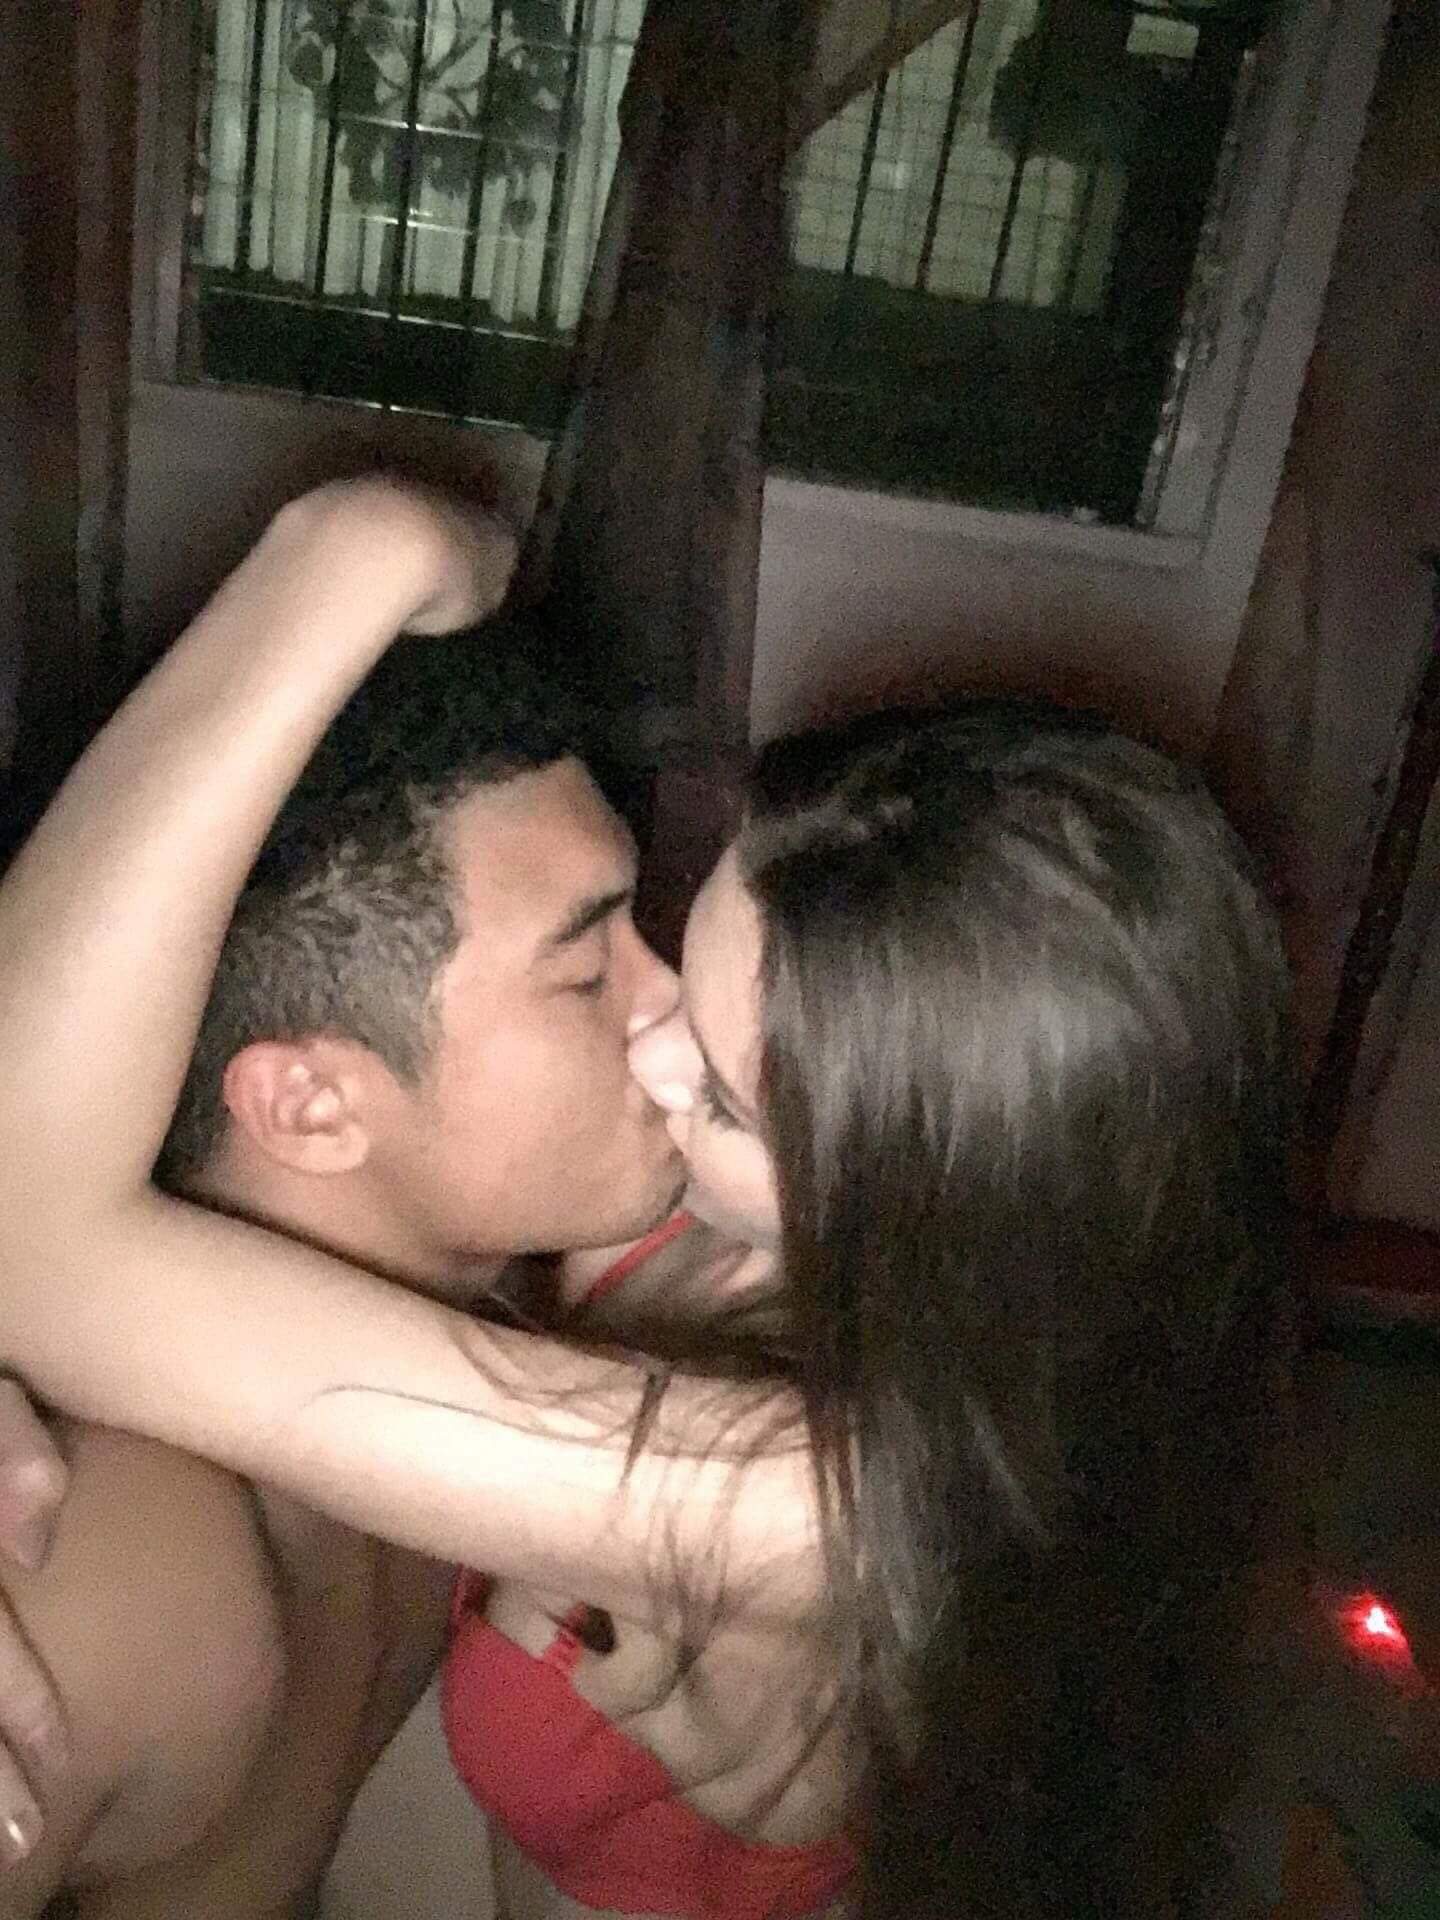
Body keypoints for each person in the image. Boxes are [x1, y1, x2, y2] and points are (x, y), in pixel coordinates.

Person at [0, 478, 1292, 1918]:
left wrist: (355, 552)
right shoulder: (105, 1565)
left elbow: (33, 1233)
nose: (659, 1021)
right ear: (313, 1105)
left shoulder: (854, 1489)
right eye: (599, 956)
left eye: (729, 1099)